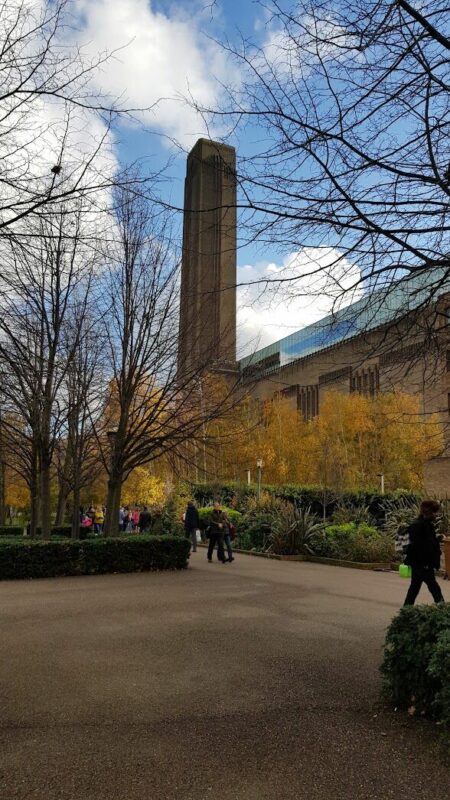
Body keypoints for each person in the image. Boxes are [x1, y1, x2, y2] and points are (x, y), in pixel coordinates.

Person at [403, 499, 445, 606]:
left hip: (422, 564)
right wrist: (426, 563)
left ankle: (406, 611)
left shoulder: (426, 524)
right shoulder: (419, 526)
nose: (436, 514)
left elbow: (428, 542)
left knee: (415, 588)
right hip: (422, 564)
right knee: (434, 588)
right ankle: (443, 609)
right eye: (435, 512)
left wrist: (438, 539)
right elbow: (418, 547)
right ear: (429, 512)